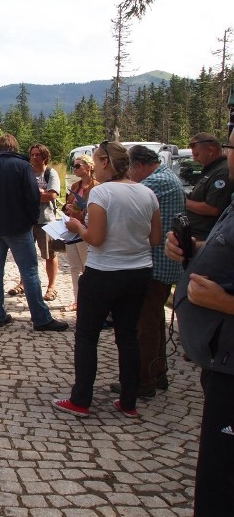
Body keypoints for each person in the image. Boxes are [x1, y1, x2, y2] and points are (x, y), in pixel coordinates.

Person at [53, 141, 162, 419]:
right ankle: (128, 401)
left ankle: (81, 400)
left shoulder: (101, 193)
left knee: (87, 336)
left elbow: (96, 238)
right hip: (138, 273)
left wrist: (77, 226)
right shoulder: (147, 193)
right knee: (128, 337)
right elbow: (155, 238)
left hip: (104, 273)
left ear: (104, 163)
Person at [166, 129, 234, 515]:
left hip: (230, 360)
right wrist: (195, 248)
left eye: (230, 147)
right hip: (219, 357)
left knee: (221, 480)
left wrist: (225, 303)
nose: (227, 153)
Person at [105, 145, 184, 400]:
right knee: (154, 321)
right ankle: (157, 373)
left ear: (137, 165)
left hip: (155, 263)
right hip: (162, 261)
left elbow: (128, 208)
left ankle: (143, 381)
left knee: (144, 324)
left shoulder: (154, 183)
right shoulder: (166, 177)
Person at [0, 133, 69, 331]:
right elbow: (34, 196)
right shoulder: (23, 166)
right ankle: (41, 319)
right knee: (30, 271)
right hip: (19, 227)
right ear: (14, 148)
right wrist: (31, 219)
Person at [8, 143, 62, 301]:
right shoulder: (26, 172)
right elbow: (17, 194)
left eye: (37, 155)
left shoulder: (51, 173)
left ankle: (51, 287)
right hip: (26, 221)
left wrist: (31, 194)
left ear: (45, 157)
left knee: (49, 255)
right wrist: (38, 193)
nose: (34, 157)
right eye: (32, 154)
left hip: (46, 221)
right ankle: (23, 283)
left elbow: (52, 196)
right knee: (24, 255)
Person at [61, 154, 98, 312]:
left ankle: (89, 301)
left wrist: (77, 212)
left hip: (85, 230)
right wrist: (67, 208)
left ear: (89, 167)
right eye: (73, 166)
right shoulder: (75, 186)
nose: (74, 169)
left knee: (86, 268)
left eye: (77, 166)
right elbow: (67, 203)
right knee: (74, 267)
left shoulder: (96, 187)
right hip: (72, 230)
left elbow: (94, 212)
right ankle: (77, 301)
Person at [185, 132, 233, 240]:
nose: (194, 159)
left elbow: (213, 208)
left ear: (210, 151)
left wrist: (184, 201)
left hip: (205, 237)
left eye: (197, 154)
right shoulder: (210, 169)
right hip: (195, 234)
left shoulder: (222, 172)